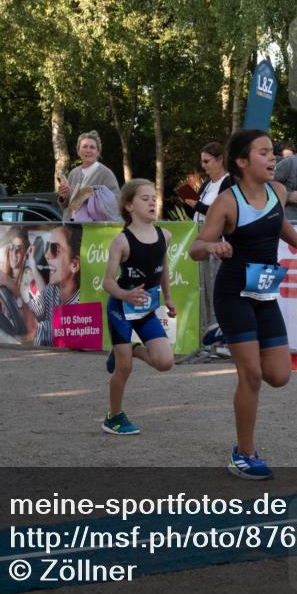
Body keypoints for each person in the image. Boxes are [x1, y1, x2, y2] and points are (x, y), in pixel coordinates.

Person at [190, 129, 297, 480]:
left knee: (279, 375)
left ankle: (222, 334)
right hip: (233, 294)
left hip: (264, 293)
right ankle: (243, 454)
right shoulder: (228, 202)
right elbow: (195, 248)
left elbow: (279, 225)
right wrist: (213, 247)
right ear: (243, 162)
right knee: (253, 375)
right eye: (264, 153)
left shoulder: (277, 192)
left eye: (272, 151)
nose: (273, 157)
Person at [100, 180, 176, 435]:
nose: (152, 202)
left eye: (153, 198)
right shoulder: (122, 241)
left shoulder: (165, 235)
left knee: (165, 362)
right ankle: (114, 416)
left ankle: (130, 350)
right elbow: (107, 282)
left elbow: (163, 267)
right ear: (129, 206)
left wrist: (168, 297)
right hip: (121, 309)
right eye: (145, 199)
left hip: (146, 310)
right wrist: (126, 295)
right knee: (125, 369)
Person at [26, 225, 82, 347]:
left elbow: (57, 331)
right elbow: (31, 312)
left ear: (74, 264)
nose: (46, 255)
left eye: (54, 249)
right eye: (47, 248)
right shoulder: (52, 291)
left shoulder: (82, 302)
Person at [0, 227, 36, 338]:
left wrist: (11, 285)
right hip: (5, 328)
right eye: (11, 248)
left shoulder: (29, 276)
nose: (14, 253)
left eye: (18, 249)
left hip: (21, 332)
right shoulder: (4, 270)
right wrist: (5, 238)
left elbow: (32, 314)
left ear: (25, 254)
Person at [56, 130, 121, 219]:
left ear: (98, 152)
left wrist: (90, 196)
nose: (88, 150)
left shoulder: (106, 174)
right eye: (84, 146)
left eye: (92, 147)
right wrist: (64, 197)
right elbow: (67, 206)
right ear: (78, 151)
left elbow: (115, 203)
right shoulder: (73, 173)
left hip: (93, 229)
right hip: (70, 226)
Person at [182, 142, 233, 225]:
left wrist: (196, 205)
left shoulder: (229, 182)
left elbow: (222, 214)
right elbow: (195, 214)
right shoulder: (207, 182)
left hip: (216, 236)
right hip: (199, 234)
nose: (203, 165)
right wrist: (186, 203)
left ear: (220, 159)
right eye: (201, 162)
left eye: (206, 161)